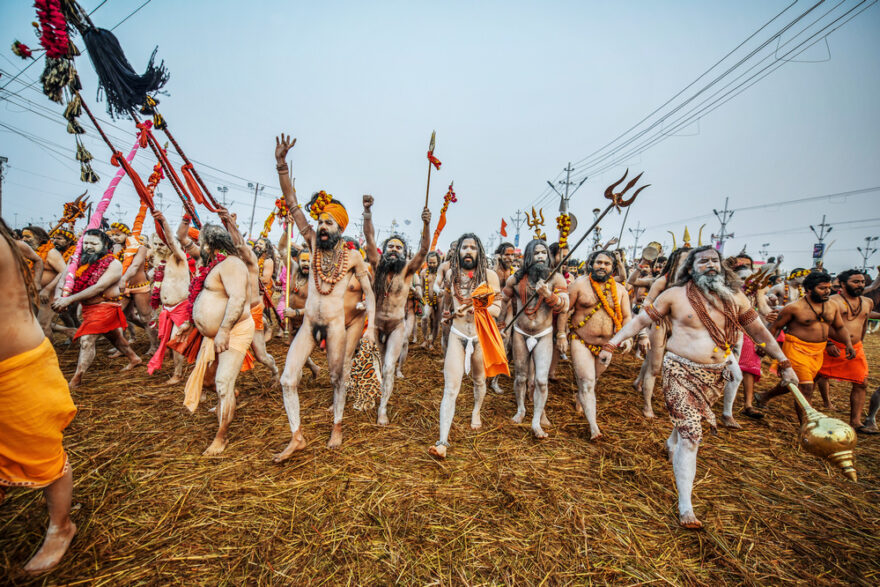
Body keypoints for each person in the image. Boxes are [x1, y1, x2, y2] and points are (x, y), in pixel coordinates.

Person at [601, 246, 797, 529]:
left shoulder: (736, 298)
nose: (710, 265)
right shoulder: (674, 295)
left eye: (714, 260)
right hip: (679, 369)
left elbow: (759, 332)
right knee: (691, 435)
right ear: (690, 268)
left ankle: (672, 442)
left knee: (686, 424)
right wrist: (612, 343)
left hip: (714, 374)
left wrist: (784, 362)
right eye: (702, 261)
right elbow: (641, 321)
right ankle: (686, 507)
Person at [273, 133, 376, 458]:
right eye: (319, 221)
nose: (321, 226)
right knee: (288, 379)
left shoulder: (353, 257)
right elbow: (291, 203)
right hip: (308, 325)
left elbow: (369, 294)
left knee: (337, 376)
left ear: (340, 228)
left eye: (328, 222)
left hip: (334, 326)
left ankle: (337, 423)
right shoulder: (313, 245)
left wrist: (370, 328)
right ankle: (297, 435)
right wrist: (281, 166)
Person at [0, 218, 78, 574]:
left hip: (20, 367)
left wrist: (48, 292)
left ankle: (60, 526)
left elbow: (39, 261)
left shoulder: (14, 247)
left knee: (43, 453)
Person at [175, 224, 255, 456]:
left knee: (221, 384)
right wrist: (190, 323)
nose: (199, 247)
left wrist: (224, 330)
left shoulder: (232, 263)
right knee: (209, 382)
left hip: (234, 330)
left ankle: (222, 436)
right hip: (214, 334)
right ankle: (230, 394)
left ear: (208, 243)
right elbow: (202, 295)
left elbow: (238, 298)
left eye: (201, 242)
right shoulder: (212, 265)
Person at [428, 234, 505, 459]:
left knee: (479, 380)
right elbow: (443, 295)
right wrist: (446, 311)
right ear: (458, 252)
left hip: (480, 336)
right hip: (457, 334)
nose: (468, 251)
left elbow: (498, 307)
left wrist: (477, 308)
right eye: (464, 248)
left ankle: (476, 411)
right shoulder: (451, 274)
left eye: (473, 248)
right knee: (451, 388)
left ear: (479, 252)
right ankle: (442, 441)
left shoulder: (490, 276)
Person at [362, 194, 431, 425]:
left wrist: (426, 223)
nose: (394, 250)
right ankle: (377, 394)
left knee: (389, 366)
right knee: (378, 365)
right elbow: (369, 237)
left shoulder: (409, 271)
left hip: (396, 325)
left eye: (398, 248)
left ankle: (382, 409)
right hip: (376, 324)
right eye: (390, 246)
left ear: (404, 252)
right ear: (384, 250)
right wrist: (368, 212)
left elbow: (424, 250)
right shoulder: (376, 265)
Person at [755, 271, 855, 419]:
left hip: (818, 351)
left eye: (828, 287)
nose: (827, 291)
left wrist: (848, 344)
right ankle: (807, 425)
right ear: (809, 289)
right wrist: (765, 346)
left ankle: (764, 396)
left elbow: (839, 327)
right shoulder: (794, 308)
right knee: (806, 388)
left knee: (796, 383)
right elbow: (775, 327)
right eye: (822, 288)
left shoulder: (832, 306)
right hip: (796, 349)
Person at [564, 250, 639, 439]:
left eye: (606, 263)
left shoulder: (620, 290)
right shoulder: (579, 284)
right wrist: (560, 334)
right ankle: (593, 427)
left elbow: (628, 316)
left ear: (613, 268)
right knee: (588, 381)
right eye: (598, 262)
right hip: (581, 340)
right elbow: (565, 310)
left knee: (593, 379)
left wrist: (627, 337)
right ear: (592, 264)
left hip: (607, 345)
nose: (602, 266)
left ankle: (581, 395)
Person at [52, 229, 141, 387]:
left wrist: (69, 300)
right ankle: (134, 358)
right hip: (88, 308)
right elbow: (64, 278)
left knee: (87, 340)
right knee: (115, 338)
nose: (89, 247)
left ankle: (77, 378)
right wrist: (59, 296)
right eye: (86, 243)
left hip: (106, 307)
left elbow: (98, 288)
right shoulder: (77, 260)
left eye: (93, 243)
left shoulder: (114, 263)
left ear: (105, 245)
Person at [501, 239, 569, 438]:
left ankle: (536, 419)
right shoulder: (516, 279)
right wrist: (501, 326)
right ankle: (521, 409)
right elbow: (503, 301)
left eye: (543, 253)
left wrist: (549, 295)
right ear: (529, 256)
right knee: (521, 377)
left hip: (543, 334)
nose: (540, 256)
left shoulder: (556, 279)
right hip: (521, 332)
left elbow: (564, 306)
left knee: (541, 380)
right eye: (536, 253)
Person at [217, 208, 280, 384]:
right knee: (224, 352)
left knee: (261, 355)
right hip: (233, 313)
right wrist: (229, 225)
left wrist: (231, 223)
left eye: (260, 245)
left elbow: (239, 245)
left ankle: (275, 370)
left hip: (253, 312)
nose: (257, 247)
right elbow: (232, 246)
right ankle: (225, 388)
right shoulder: (230, 262)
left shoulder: (251, 262)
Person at [814, 269, 875, 432]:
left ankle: (855, 422)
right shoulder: (831, 301)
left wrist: (859, 343)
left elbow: (864, 323)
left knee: (861, 383)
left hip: (854, 349)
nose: (860, 285)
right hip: (831, 346)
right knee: (811, 379)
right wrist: (828, 344)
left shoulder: (867, 302)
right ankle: (771, 397)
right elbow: (820, 324)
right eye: (856, 282)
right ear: (842, 284)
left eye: (862, 282)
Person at [633, 246, 690, 418]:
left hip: (682, 327)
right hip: (660, 324)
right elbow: (646, 307)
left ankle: (638, 381)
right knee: (655, 367)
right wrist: (642, 333)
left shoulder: (695, 283)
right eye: (686, 259)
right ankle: (647, 406)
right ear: (675, 263)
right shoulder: (661, 281)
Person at [145, 211, 191, 384]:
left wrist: (163, 221)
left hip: (180, 307)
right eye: (155, 244)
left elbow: (172, 241)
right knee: (173, 341)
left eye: (161, 244)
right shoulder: (159, 262)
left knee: (175, 340)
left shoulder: (179, 257)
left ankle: (178, 374)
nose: (158, 247)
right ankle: (178, 370)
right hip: (167, 309)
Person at [109, 223, 158, 353]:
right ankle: (121, 347)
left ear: (127, 233)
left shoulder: (139, 247)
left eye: (118, 235)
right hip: (123, 287)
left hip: (139, 286)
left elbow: (135, 266)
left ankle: (154, 346)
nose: (115, 237)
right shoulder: (116, 249)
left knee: (146, 318)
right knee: (119, 317)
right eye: (113, 235)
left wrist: (124, 279)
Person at [21, 226, 67, 338]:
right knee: (32, 324)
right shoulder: (29, 252)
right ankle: (70, 331)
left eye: (28, 236)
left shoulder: (51, 252)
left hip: (48, 294)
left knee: (43, 325)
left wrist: (47, 289)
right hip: (33, 293)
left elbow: (65, 272)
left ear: (40, 238)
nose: (24, 239)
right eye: (23, 237)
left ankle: (49, 354)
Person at [420, 251, 442, 349]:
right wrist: (421, 296)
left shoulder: (442, 273)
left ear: (438, 262)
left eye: (434, 262)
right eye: (430, 262)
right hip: (428, 301)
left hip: (440, 301)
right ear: (427, 262)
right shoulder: (424, 272)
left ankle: (432, 341)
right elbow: (421, 287)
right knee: (424, 318)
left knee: (435, 322)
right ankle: (425, 340)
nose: (432, 264)